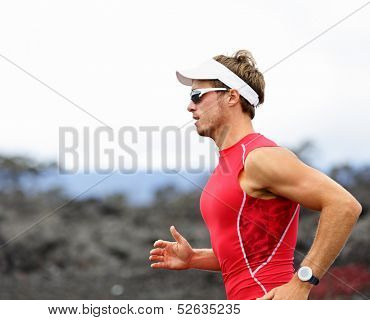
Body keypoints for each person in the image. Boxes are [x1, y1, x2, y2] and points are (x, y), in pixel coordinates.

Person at [148, 50, 362, 300]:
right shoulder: (228, 164)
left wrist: (302, 282)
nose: (190, 105)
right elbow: (249, 254)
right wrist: (195, 257)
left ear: (231, 97)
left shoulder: (260, 157)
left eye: (197, 95)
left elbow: (344, 205)